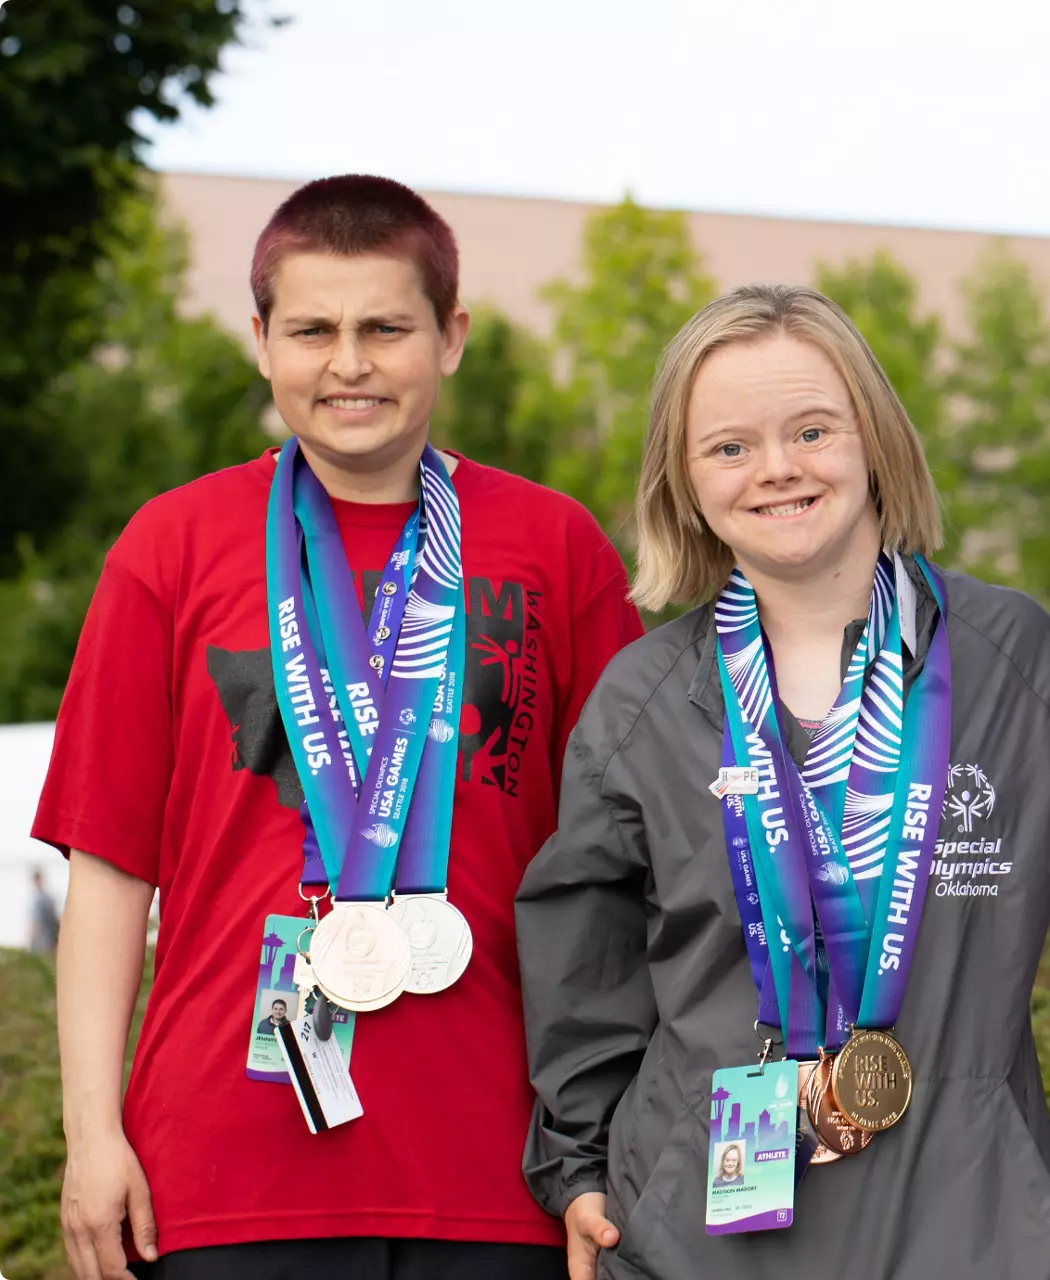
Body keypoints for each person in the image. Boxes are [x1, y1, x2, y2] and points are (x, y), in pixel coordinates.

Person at [37, 175, 643, 1280]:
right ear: (260, 340)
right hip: (217, 1178)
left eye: (386, 327)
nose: (349, 363)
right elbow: (111, 868)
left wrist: (605, 1145)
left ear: (450, 337)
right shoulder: (170, 546)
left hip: (499, 1174)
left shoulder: (554, 547)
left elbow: (621, 873)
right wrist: (94, 1134)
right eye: (312, 328)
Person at [516, 284, 1050, 1280]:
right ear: (684, 480)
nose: (777, 468)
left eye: (813, 428)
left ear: (874, 438)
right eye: (729, 446)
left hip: (973, 1222)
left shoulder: (1014, 657)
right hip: (705, 1231)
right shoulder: (643, 701)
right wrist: (578, 1168)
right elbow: (586, 959)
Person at [30, 867, 61, 956]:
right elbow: (57, 919)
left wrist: (31, 941)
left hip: (41, 943)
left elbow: (36, 924)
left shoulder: (39, 899)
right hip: (51, 941)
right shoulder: (50, 898)